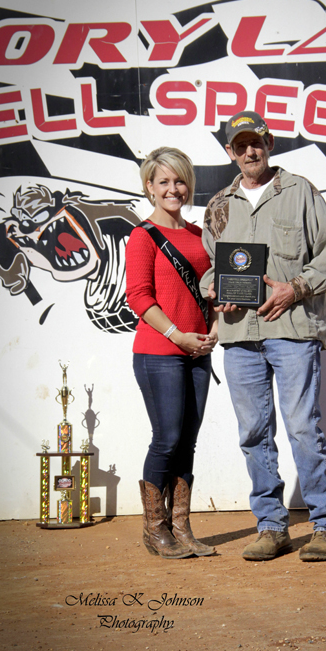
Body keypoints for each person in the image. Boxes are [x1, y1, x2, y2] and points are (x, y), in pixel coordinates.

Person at [200, 111, 326, 562]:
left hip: (292, 329)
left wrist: (296, 288)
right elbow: (213, 264)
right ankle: (271, 527)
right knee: (253, 433)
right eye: (241, 144)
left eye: (258, 142)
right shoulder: (219, 205)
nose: (251, 151)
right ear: (230, 151)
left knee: (302, 428)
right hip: (238, 334)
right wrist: (213, 287)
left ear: (270, 145)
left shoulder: (300, 191)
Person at [126, 147, 217, 559]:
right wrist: (179, 334)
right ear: (149, 187)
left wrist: (215, 325)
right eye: (163, 181)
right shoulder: (142, 236)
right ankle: (154, 528)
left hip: (198, 351)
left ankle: (181, 526)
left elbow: (213, 291)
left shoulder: (200, 237)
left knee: (188, 444)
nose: (173, 188)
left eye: (179, 180)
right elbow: (139, 297)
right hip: (159, 351)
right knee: (167, 439)